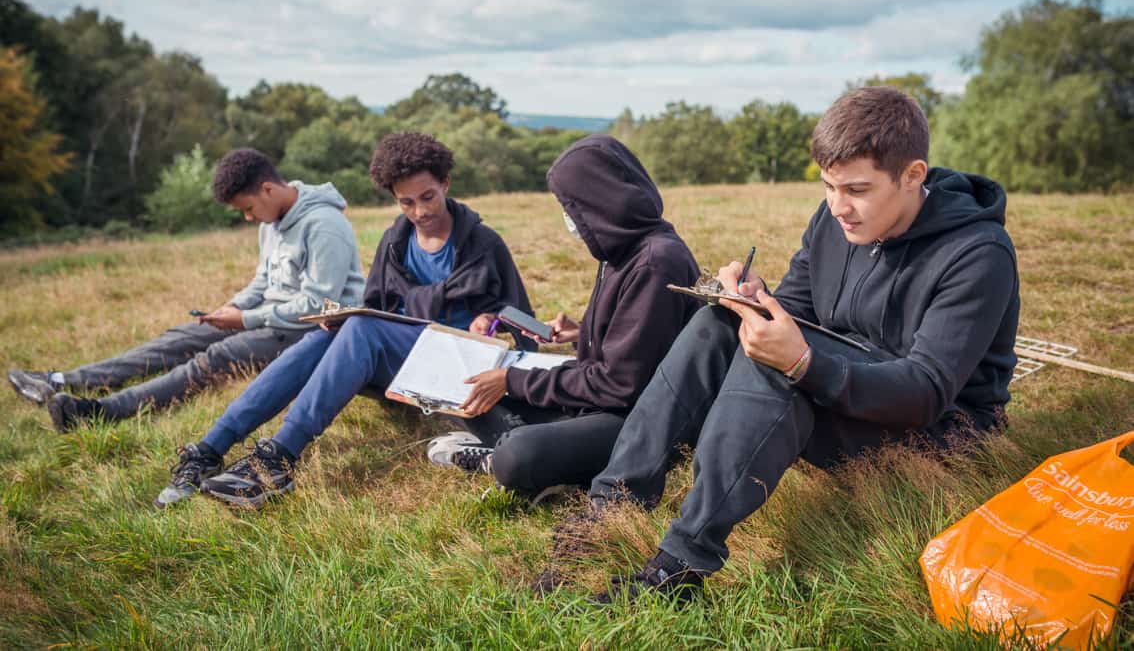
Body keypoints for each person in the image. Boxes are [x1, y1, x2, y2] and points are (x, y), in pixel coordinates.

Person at [539, 87, 1021, 603]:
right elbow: (797, 310)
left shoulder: (977, 254)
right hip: (848, 384)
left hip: (938, 432)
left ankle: (679, 567)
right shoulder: (834, 219)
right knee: (718, 326)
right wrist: (753, 302)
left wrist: (802, 361)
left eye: (856, 189)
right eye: (829, 186)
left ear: (912, 175)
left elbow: (926, 391)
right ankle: (610, 508)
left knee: (775, 365)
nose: (839, 207)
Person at [155, 131, 535, 508]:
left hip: (457, 364)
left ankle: (278, 459)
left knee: (363, 328)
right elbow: (375, 303)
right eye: (406, 202)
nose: (419, 212)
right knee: (324, 337)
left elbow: (518, 319)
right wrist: (339, 320)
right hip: (401, 363)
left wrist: (488, 320)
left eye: (428, 197)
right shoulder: (394, 242)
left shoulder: (484, 243)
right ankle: (208, 449)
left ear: (446, 183)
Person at [8, 148, 366, 432]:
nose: (248, 218)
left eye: (248, 208)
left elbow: (320, 303)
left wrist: (246, 320)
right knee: (178, 338)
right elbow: (263, 281)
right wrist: (231, 308)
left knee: (216, 358)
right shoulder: (271, 221)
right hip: (271, 317)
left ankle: (100, 411)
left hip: (311, 329)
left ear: (268, 189)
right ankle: (59, 380)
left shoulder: (323, 225)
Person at [425, 135, 701, 502]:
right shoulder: (621, 249)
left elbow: (620, 385)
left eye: (570, 205)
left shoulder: (654, 262)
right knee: (468, 391)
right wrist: (582, 333)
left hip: (640, 422)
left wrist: (513, 380)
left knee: (517, 453)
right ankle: (552, 462)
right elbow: (635, 342)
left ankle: (503, 460)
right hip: (599, 403)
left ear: (598, 200)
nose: (569, 217)